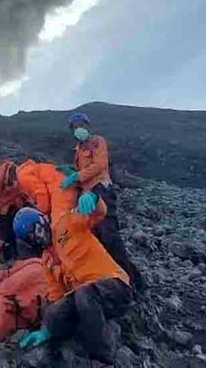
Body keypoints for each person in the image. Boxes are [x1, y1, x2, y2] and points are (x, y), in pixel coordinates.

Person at [13, 207, 133, 365]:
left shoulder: (67, 223)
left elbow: (98, 213)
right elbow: (57, 295)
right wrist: (46, 327)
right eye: (30, 237)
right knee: (53, 313)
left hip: (115, 287)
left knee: (84, 294)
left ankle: (101, 358)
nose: (37, 236)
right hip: (89, 303)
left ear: (42, 220)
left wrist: (93, 199)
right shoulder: (47, 262)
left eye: (35, 229)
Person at [59, 112, 145, 292]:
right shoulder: (78, 150)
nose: (78, 128)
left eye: (81, 124)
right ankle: (117, 279)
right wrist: (71, 173)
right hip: (88, 195)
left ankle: (131, 283)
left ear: (88, 126)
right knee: (99, 239)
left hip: (102, 190)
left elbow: (99, 166)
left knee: (110, 237)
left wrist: (77, 175)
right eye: (75, 126)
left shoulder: (97, 141)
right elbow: (83, 174)